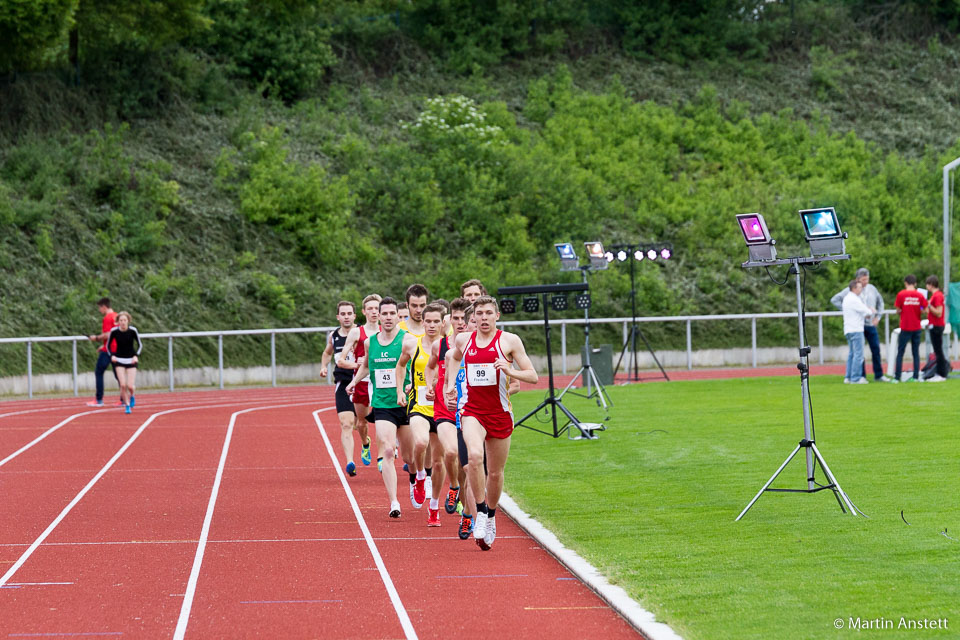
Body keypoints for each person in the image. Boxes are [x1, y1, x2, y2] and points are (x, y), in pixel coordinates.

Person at [444, 296, 538, 550]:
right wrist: (449, 385)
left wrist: (510, 371)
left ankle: (492, 514)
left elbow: (533, 375)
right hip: (472, 411)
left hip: (500, 413)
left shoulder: (509, 341)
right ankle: (482, 512)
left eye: (488, 313)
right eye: (479, 314)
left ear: (497, 315)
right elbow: (452, 358)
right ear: (473, 318)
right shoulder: (464, 340)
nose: (483, 318)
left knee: (495, 472)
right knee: (474, 458)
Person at [346, 297, 410, 518]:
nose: (389, 317)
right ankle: (394, 502)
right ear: (378, 316)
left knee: (413, 456)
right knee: (389, 450)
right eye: (386, 314)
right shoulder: (369, 342)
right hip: (383, 404)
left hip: (407, 403)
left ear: (399, 316)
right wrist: (353, 382)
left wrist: (409, 385)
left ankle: (419, 478)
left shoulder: (407, 340)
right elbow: (365, 366)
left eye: (393, 313)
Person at [395, 302, 444, 522]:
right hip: (419, 406)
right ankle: (421, 477)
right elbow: (400, 366)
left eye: (436, 321)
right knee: (421, 443)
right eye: (428, 321)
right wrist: (401, 390)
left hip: (443, 410)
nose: (432, 325)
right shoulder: (412, 345)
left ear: (443, 324)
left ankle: (434, 507)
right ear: (421, 322)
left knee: (440, 461)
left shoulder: (449, 348)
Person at [337, 294, 380, 469]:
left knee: (385, 420)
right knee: (361, 422)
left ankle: (384, 455)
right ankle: (365, 443)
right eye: (370, 308)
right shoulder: (357, 332)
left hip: (382, 382)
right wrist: (357, 362)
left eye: (377, 308)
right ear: (364, 312)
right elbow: (341, 359)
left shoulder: (389, 332)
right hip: (362, 381)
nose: (374, 312)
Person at [321, 301, 361, 477]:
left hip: (363, 382)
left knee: (361, 424)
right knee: (346, 424)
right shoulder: (333, 336)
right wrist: (324, 366)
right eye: (342, 314)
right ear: (338, 316)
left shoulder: (363, 333)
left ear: (354, 316)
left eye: (349, 313)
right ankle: (350, 462)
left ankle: (365, 442)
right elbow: (327, 353)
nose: (346, 316)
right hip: (343, 384)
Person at [830, 268, 888, 382]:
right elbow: (835, 300)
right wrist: (848, 311)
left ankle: (879, 375)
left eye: (867, 279)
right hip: (858, 325)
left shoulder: (872, 289)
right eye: (863, 280)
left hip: (870, 324)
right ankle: (859, 376)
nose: (865, 282)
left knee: (875, 350)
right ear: (857, 280)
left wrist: (878, 317)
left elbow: (880, 303)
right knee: (858, 353)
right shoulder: (850, 291)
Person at [894, 274, 927, 383]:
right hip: (916, 326)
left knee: (900, 352)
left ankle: (897, 377)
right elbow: (924, 309)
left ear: (905, 283)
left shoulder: (901, 294)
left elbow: (898, 309)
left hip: (905, 326)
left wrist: (902, 311)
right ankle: (915, 377)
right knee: (915, 353)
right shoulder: (920, 295)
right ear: (915, 283)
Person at [106, 312, 142, 414]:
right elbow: (108, 346)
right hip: (119, 360)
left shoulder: (133, 331)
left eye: (124, 320)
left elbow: (140, 345)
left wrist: (136, 356)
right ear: (118, 322)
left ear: (128, 321)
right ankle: (127, 406)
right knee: (122, 385)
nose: (122, 322)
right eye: (121, 320)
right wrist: (112, 355)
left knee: (130, 386)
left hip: (131, 359)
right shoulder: (114, 331)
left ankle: (132, 395)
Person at [841, 280, 875, 385]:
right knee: (858, 355)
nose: (861, 289)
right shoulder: (854, 299)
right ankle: (855, 378)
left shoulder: (847, 298)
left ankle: (848, 376)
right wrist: (871, 310)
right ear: (854, 288)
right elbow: (866, 311)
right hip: (856, 329)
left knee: (852, 354)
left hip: (849, 329)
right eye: (859, 287)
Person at [86, 297, 118, 406]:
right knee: (119, 374)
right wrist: (103, 345)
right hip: (117, 349)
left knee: (99, 372)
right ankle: (125, 399)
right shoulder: (117, 316)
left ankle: (99, 399)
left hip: (109, 350)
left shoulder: (108, 318)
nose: (99, 311)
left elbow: (108, 334)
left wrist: (96, 338)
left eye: (99, 308)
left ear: (104, 307)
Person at [925, 275, 949, 382]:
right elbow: (929, 311)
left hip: (937, 325)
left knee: (938, 350)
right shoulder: (934, 295)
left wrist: (929, 306)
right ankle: (940, 373)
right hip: (933, 324)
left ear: (931, 285)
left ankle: (941, 373)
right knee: (937, 350)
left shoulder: (937, 296)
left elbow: (939, 313)